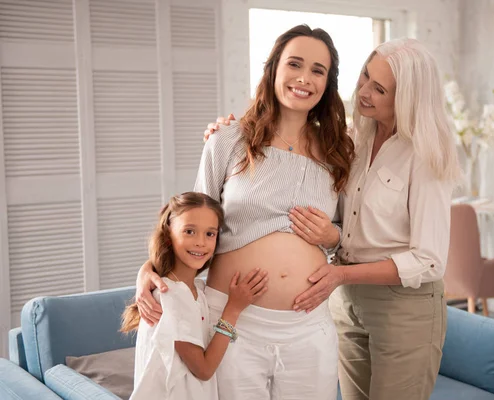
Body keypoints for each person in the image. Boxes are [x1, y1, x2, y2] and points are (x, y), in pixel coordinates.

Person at [207, 38, 461, 400]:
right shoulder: (349, 142)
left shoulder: (420, 153)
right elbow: (342, 228)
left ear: (407, 98)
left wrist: (338, 264)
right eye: (364, 76)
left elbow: (430, 260)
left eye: (380, 88)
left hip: (397, 304)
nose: (364, 91)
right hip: (341, 302)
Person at [135, 25, 355, 400]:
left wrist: (331, 237)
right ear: (273, 70)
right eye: (295, 64)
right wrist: (147, 270)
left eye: (318, 70)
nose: (304, 78)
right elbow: (188, 226)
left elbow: (346, 235)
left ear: (328, 83)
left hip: (308, 327)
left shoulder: (338, 152)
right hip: (234, 321)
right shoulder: (227, 141)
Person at [121, 192, 268, 400]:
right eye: (189, 231)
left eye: (210, 234)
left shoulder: (195, 290)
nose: (201, 242)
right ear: (168, 236)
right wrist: (233, 309)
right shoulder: (172, 295)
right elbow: (204, 370)